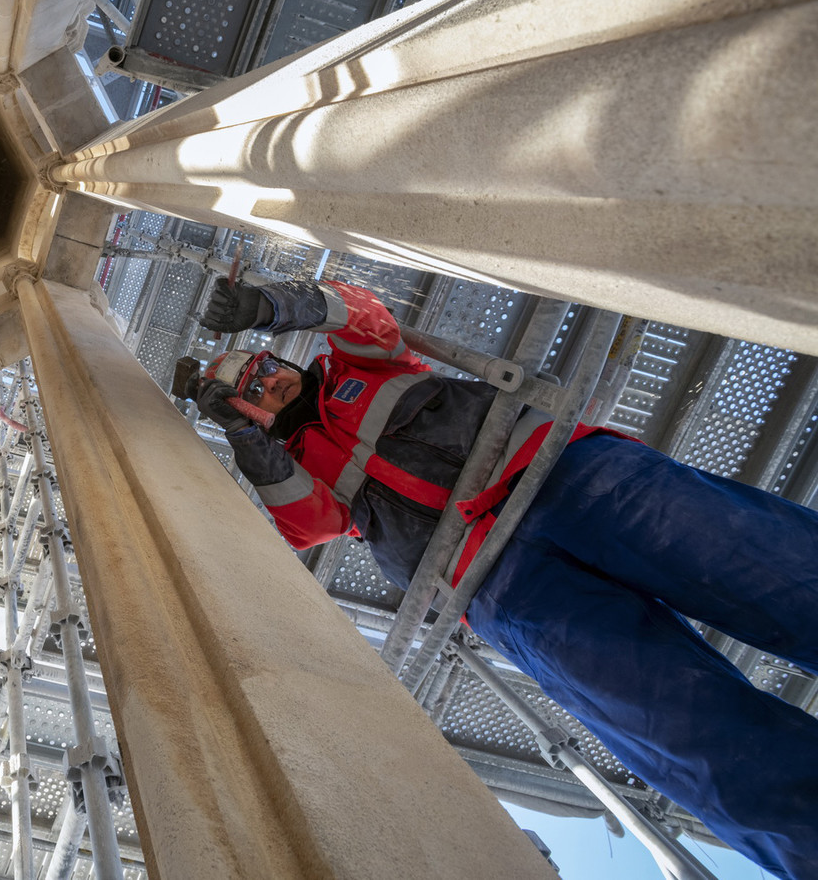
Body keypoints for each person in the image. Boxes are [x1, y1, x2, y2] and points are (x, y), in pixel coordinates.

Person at [190, 276, 818, 880]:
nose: (270, 378)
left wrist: (265, 304)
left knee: (774, 569)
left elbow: (364, 315)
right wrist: (245, 437)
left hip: (567, 474)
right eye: (253, 388)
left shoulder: (354, 366)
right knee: (682, 728)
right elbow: (309, 527)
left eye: (265, 362)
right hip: (498, 585)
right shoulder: (291, 466)